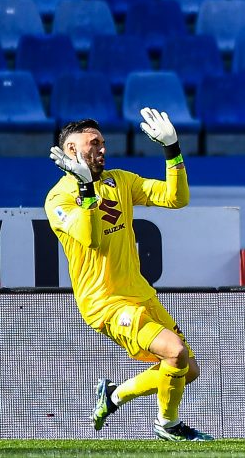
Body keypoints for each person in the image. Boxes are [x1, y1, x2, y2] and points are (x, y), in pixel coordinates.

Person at [44, 110, 213, 442]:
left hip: (140, 293)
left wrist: (172, 149)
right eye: (94, 144)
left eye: (103, 143)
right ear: (72, 151)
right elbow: (90, 237)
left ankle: (114, 395)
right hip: (105, 303)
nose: (103, 150)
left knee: (186, 369)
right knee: (175, 353)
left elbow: (177, 198)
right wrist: (85, 187)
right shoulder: (58, 198)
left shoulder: (119, 180)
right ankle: (168, 426)